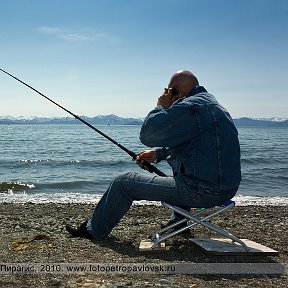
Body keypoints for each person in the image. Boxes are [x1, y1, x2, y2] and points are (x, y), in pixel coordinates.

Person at [66, 70, 241, 240]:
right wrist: (157, 154)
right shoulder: (214, 106)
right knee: (181, 170)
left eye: (168, 90)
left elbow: (148, 135)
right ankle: (179, 224)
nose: (166, 94)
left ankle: (93, 231)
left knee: (123, 182)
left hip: (204, 191)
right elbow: (195, 147)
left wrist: (160, 107)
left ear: (175, 91)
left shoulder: (191, 107)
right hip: (227, 189)